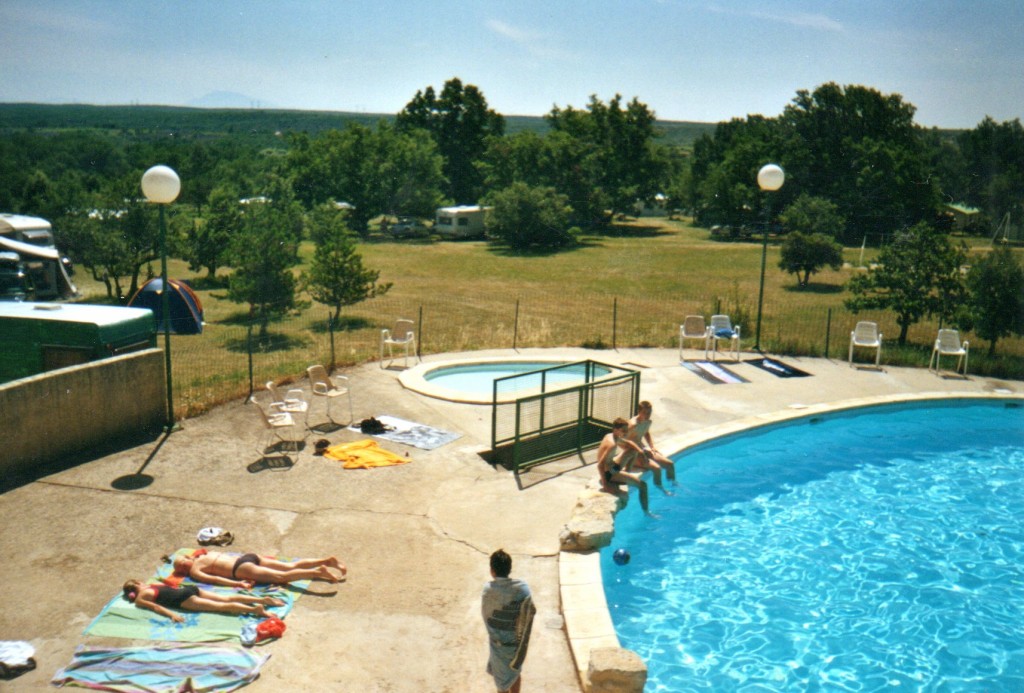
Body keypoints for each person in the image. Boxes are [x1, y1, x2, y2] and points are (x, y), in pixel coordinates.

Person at [481, 549, 536, 693]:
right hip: (515, 646)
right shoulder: (523, 589)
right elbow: (529, 613)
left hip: (497, 644)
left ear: (492, 571)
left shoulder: (488, 590)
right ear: (509, 569)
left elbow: (486, 616)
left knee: (501, 684)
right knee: (515, 672)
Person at [122, 579, 284, 623]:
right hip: (189, 589)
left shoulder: (141, 598)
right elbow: (170, 586)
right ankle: (262, 599)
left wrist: (172, 614)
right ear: (137, 585)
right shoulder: (153, 585)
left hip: (183, 599)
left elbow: (155, 607)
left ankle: (256, 610)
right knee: (226, 598)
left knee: (221, 606)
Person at [167, 550, 346, 589]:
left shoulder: (195, 570)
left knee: (281, 577)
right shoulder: (205, 555)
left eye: (182, 565)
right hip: (247, 557)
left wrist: (237, 584)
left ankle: (317, 572)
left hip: (240, 568)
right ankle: (328, 560)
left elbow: (216, 580)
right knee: (289, 566)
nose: (184, 566)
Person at [596, 417, 651, 514]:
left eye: (627, 430)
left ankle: (626, 473)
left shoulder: (610, 435)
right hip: (609, 473)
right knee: (643, 485)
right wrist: (606, 485)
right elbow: (600, 465)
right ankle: (646, 512)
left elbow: (629, 443)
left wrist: (640, 452)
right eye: (623, 431)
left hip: (613, 467)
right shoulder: (612, 444)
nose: (626, 433)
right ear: (615, 430)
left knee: (633, 450)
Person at [627, 400, 677, 491]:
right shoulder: (632, 424)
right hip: (632, 453)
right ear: (639, 412)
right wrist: (636, 454)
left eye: (649, 412)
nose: (647, 415)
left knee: (670, 464)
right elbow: (624, 441)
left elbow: (646, 433)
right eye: (644, 412)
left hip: (642, 449)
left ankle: (673, 484)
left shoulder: (648, 421)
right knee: (657, 468)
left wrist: (652, 446)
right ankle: (661, 489)